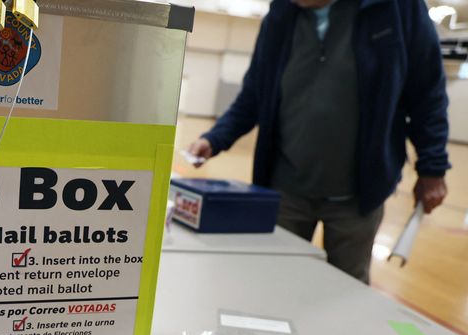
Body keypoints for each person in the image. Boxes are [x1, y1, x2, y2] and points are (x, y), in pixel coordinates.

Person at [188, 0, 450, 284]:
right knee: (273, 283)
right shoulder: (280, 14)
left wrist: (432, 168)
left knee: (345, 295)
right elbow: (254, 94)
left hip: (358, 197)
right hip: (285, 190)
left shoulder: (396, 8)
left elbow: (427, 94)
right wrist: (214, 138)